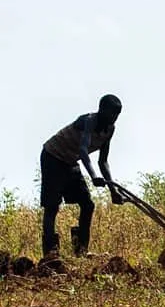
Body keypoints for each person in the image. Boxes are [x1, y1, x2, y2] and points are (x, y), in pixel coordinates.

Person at [40, 94, 124, 258]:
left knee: (88, 204)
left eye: (117, 115)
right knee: (52, 206)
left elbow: (103, 161)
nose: (114, 118)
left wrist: (113, 190)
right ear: (102, 111)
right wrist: (93, 176)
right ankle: (50, 254)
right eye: (111, 114)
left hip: (70, 161)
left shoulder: (109, 130)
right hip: (53, 156)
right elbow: (83, 150)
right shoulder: (89, 121)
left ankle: (81, 251)